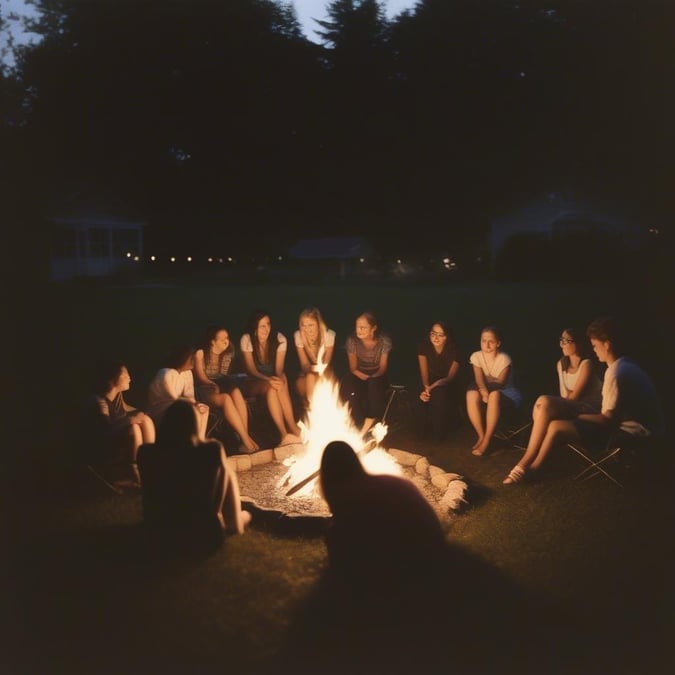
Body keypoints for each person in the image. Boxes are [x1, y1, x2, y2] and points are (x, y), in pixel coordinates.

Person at [503, 316, 664, 484]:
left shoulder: (616, 373)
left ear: (607, 344)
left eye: (595, 345)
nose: (594, 350)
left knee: (549, 410)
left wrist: (576, 417)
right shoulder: (625, 365)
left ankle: (527, 466)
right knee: (554, 424)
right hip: (637, 427)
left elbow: (607, 420)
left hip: (632, 433)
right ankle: (532, 468)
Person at [319, 440, 447, 590]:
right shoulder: (385, 482)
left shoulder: (351, 497)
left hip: (415, 566)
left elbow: (351, 543)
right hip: (435, 551)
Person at [137, 400, 251, 552]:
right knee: (229, 474)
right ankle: (236, 522)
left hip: (158, 533)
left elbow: (149, 495)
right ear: (194, 424)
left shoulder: (146, 452)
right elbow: (218, 497)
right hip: (203, 535)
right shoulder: (210, 450)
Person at [503, 326, 602, 484]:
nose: (562, 344)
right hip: (573, 408)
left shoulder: (587, 364)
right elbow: (565, 397)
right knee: (542, 405)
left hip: (591, 412)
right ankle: (532, 468)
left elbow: (574, 398)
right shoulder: (561, 364)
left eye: (567, 340)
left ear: (579, 343)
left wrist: (559, 402)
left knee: (544, 401)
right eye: (561, 340)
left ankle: (524, 460)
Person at [84, 359, 156, 486]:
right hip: (101, 447)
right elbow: (104, 430)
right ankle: (134, 471)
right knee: (134, 427)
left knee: (145, 420)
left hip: (114, 440)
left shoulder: (117, 397)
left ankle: (150, 464)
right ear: (113, 379)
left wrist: (142, 415)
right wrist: (131, 420)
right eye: (125, 374)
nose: (129, 378)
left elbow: (131, 410)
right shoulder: (98, 401)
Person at [193, 325, 259, 454]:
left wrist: (222, 384)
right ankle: (246, 440)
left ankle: (244, 438)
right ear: (213, 341)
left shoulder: (228, 352)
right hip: (204, 388)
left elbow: (223, 375)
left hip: (220, 384)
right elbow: (201, 377)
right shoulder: (201, 353)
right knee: (226, 398)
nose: (226, 341)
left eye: (227, 338)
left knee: (236, 392)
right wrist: (213, 385)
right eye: (222, 339)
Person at [240, 310, 302, 445]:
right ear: (255, 328)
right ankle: (284, 432)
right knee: (272, 385)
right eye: (262, 325)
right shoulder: (247, 340)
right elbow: (251, 370)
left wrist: (278, 380)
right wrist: (269, 380)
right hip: (253, 381)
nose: (266, 328)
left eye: (267, 324)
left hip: (271, 380)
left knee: (281, 379)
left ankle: (290, 428)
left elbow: (279, 369)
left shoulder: (280, 339)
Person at [466, 325, 521, 456]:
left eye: (491, 341)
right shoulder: (476, 356)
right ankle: (481, 435)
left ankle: (487, 440)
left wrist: (487, 384)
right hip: (488, 390)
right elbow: (479, 379)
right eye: (484, 341)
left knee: (494, 395)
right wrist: (484, 390)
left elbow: (501, 383)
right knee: (471, 393)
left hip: (508, 392)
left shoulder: (504, 359)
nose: (487, 345)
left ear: (498, 343)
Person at [341, 311, 392, 437]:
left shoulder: (384, 341)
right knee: (349, 383)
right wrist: (364, 377)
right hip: (359, 373)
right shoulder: (352, 341)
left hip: (377, 374)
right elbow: (353, 368)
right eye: (357, 326)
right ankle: (354, 422)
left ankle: (371, 422)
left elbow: (382, 368)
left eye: (363, 327)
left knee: (374, 385)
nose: (359, 330)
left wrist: (372, 378)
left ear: (373, 328)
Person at [146, 343, 209, 440]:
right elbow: (173, 397)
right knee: (191, 409)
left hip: (180, 405)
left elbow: (189, 396)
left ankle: (200, 440)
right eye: (191, 359)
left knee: (204, 408)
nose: (194, 362)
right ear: (183, 358)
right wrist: (192, 403)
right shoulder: (165, 373)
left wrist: (196, 404)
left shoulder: (187, 373)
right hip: (161, 409)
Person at [416, 320, 462, 441]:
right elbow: (423, 371)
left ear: (447, 337)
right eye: (433, 333)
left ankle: (439, 436)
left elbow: (449, 378)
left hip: (447, 382)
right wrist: (426, 387)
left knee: (439, 395)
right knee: (420, 395)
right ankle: (420, 435)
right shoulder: (424, 346)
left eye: (440, 335)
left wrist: (431, 388)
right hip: (429, 379)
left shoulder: (455, 351)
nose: (436, 337)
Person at [294, 307, 336, 408]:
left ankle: (315, 408)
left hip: (325, 375)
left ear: (318, 324)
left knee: (313, 379)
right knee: (309, 377)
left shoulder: (328, 335)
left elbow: (326, 365)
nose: (307, 329)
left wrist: (316, 370)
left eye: (311, 325)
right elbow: (304, 365)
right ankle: (312, 410)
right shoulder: (299, 336)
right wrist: (312, 369)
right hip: (307, 375)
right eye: (304, 325)